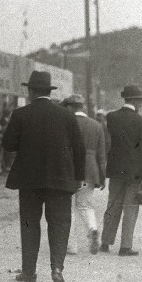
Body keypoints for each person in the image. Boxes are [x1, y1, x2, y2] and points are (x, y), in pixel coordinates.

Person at [2, 71, 85, 282]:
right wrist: (78, 178)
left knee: (30, 223)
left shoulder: (20, 114)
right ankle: (57, 269)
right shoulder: (67, 115)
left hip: (29, 179)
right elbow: (79, 149)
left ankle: (29, 271)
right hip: (61, 178)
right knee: (59, 224)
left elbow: (8, 144)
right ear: (49, 91)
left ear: (31, 91)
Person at [100, 85, 142, 256]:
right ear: (135, 100)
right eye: (141, 100)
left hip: (116, 169)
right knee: (131, 208)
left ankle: (105, 242)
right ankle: (125, 246)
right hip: (135, 172)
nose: (141, 103)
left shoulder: (111, 117)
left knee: (112, 205)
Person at [61, 94, 106, 256]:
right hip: (90, 170)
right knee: (85, 205)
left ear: (70, 107)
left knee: (68, 208)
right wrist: (102, 176)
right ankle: (92, 228)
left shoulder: (66, 123)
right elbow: (102, 154)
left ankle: (71, 246)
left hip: (70, 168)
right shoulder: (96, 125)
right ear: (82, 107)